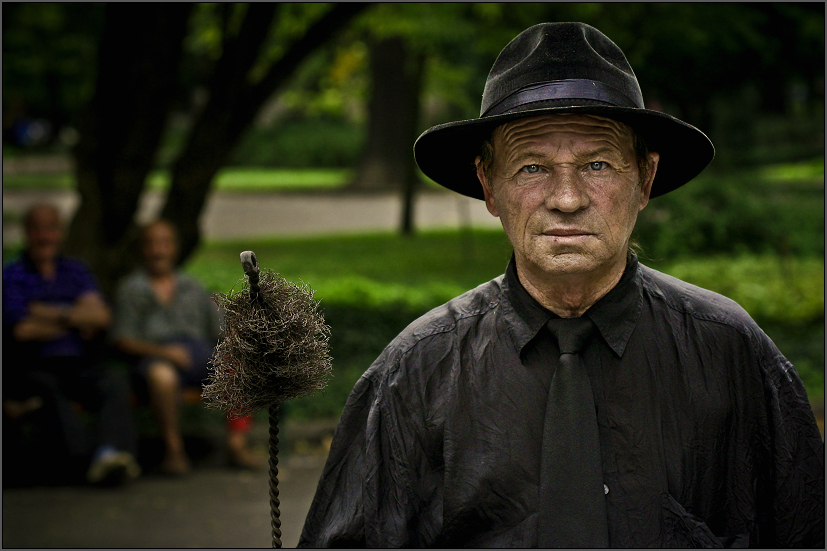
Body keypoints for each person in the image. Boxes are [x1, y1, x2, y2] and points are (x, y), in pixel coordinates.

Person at [298, 22, 824, 548]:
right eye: (532, 168)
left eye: (597, 164)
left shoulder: (730, 352)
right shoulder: (414, 371)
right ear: (489, 186)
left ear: (645, 179)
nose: (567, 199)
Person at [2, 204, 140, 486]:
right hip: (33, 363)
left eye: (51, 229)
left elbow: (101, 317)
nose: (44, 237)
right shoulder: (12, 274)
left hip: (79, 361)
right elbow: (23, 331)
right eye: (38, 229)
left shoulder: (76, 270)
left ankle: (108, 453)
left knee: (112, 381)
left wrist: (45, 311)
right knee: (47, 388)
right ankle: (83, 461)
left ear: (60, 233)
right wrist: (75, 317)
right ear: (27, 233)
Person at [110, 219, 262, 475]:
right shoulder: (131, 289)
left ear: (174, 248)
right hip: (154, 360)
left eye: (164, 243)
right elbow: (122, 340)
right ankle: (174, 451)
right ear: (142, 249)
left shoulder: (192, 286)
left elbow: (221, 330)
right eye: (151, 244)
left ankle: (237, 446)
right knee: (162, 376)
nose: (158, 251)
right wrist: (164, 353)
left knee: (238, 363)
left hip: (198, 354)